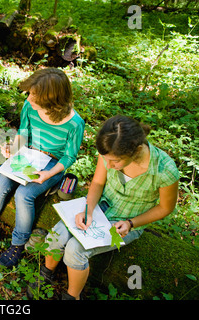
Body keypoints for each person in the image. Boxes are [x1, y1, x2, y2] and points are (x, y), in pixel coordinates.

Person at [28, 115, 180, 300]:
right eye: (106, 159)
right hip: (100, 207)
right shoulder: (110, 149)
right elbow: (98, 182)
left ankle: (73, 296)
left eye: (114, 161)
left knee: (76, 249)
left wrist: (131, 223)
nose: (108, 165)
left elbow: (165, 208)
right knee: (57, 235)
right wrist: (88, 209)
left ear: (136, 150)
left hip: (126, 222)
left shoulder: (164, 171)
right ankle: (46, 272)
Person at [0, 68, 85, 268]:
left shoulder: (74, 123)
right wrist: (14, 148)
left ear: (52, 100)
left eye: (34, 95)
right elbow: (23, 132)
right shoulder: (29, 107)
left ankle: (18, 243)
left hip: (52, 163)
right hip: (28, 154)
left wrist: (48, 174)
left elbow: (69, 156)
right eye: (29, 93)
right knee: (0, 180)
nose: (28, 98)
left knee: (24, 195)